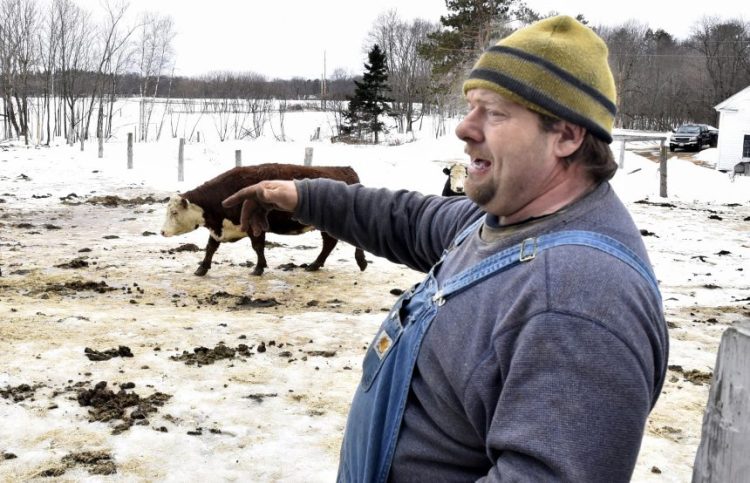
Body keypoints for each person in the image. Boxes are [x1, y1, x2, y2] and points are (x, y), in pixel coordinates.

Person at [223, 15, 669, 483]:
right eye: (470, 106)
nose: (464, 128)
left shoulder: (576, 299)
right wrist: (299, 195)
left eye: (494, 112)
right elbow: (408, 219)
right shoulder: (502, 222)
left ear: (567, 134)